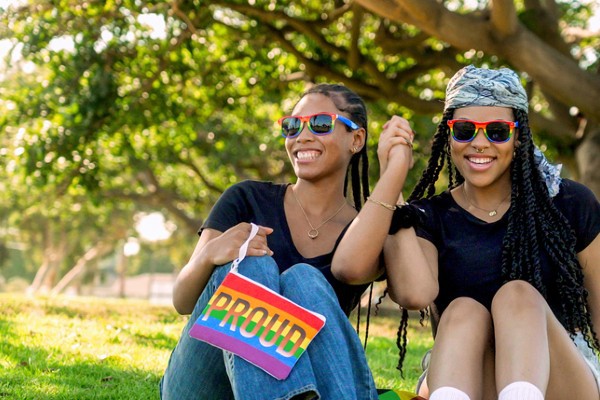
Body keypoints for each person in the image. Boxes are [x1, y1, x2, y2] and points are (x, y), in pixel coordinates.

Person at [332, 65, 600, 400]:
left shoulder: (570, 204)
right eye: (464, 130)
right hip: (463, 380)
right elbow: (415, 294)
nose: (479, 143)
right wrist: (393, 177)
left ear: (519, 136)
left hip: (559, 382)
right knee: (462, 310)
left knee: (517, 294)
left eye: (498, 131)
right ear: (448, 134)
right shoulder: (430, 217)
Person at [160, 83, 381, 400]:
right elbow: (182, 302)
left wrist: (395, 172)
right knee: (252, 264)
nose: (302, 137)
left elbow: (414, 293)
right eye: (292, 126)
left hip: (321, 383)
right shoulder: (245, 197)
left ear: (356, 139)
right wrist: (209, 255)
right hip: (206, 384)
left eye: (320, 124)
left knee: (304, 278)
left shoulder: (366, 231)